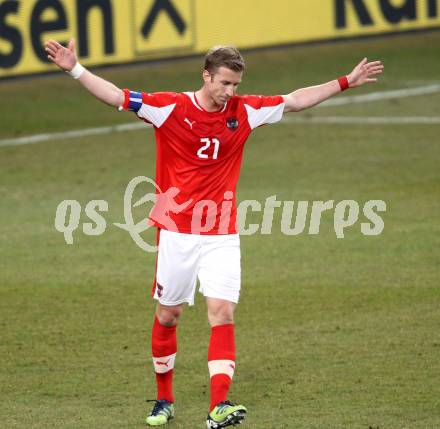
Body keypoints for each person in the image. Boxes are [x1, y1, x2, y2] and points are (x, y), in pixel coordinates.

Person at [45, 38, 383, 428]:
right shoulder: (169, 106)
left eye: (235, 85)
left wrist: (345, 81)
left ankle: (218, 407)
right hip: (177, 231)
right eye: (224, 83)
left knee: (222, 312)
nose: (230, 92)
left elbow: (295, 100)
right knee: (169, 315)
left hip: (221, 231)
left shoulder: (245, 111)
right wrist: (74, 69)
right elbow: (116, 97)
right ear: (206, 76)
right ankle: (164, 399)